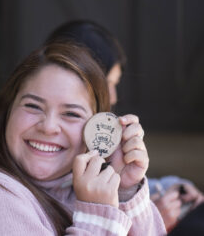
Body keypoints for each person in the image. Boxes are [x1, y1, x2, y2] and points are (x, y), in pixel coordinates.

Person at [0, 42, 165, 235]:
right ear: (7, 111)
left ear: (96, 129)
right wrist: (97, 218)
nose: (48, 127)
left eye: (71, 114)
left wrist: (124, 190)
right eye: (33, 106)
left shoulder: (82, 188)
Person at [45, 20, 204, 232]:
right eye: (108, 84)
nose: (114, 96)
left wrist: (172, 187)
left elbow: (121, 181)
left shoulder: (94, 137)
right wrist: (141, 221)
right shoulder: (51, 162)